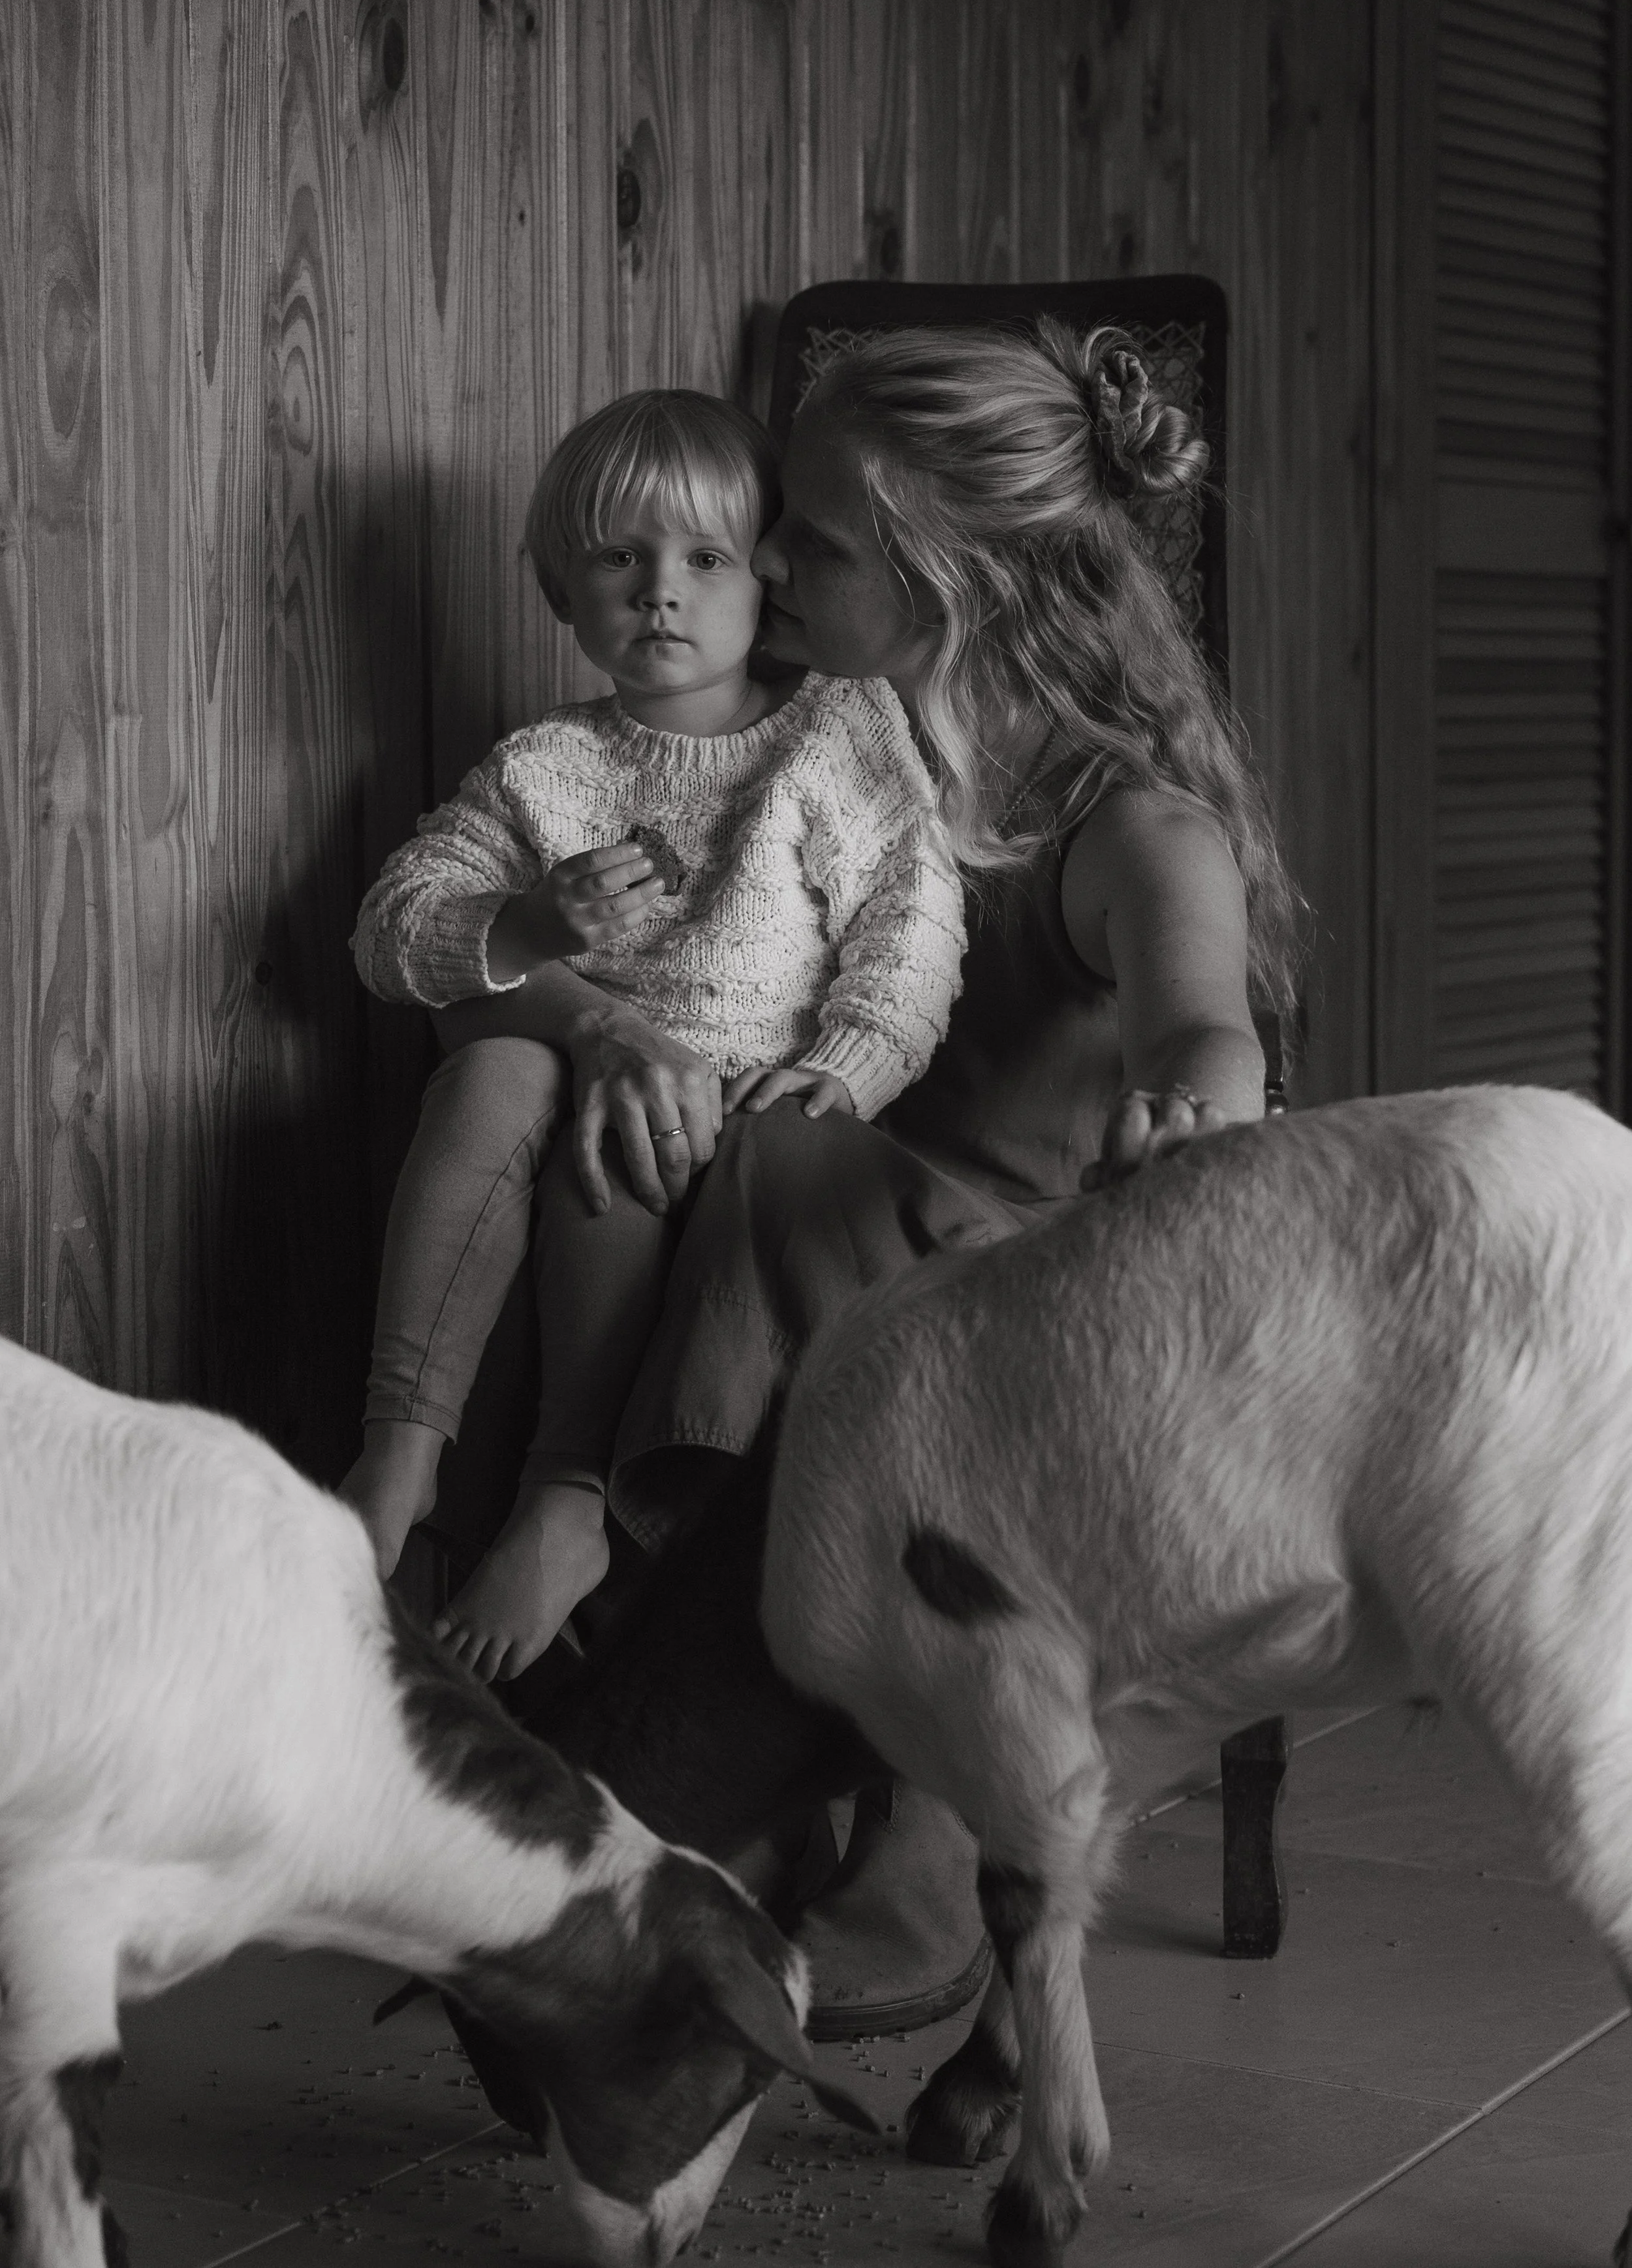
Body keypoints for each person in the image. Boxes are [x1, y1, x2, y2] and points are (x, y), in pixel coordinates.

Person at [428, 315, 1307, 2038]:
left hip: (1032, 1314)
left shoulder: (1118, 825)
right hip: (815, 1271)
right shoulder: (827, 762)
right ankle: (628, 1647)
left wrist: (1193, 1109)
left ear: (943, 570)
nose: (760, 562)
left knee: (781, 1176)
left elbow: (1201, 1018)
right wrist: (614, 1037)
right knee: (669, 1137)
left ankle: (827, 1797)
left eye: (810, 538)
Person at [341, 388, 965, 1678]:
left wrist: (841, 1070)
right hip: (582, 1078)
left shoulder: (834, 734)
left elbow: (909, 924)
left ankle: (570, 1493)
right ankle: (399, 1448)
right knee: (501, 1066)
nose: (659, 593)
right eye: (617, 559)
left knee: (603, 1128)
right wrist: (520, 921)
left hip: (753, 1112)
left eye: (702, 558)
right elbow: (391, 928)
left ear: (767, 580)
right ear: (562, 592)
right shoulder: (540, 767)